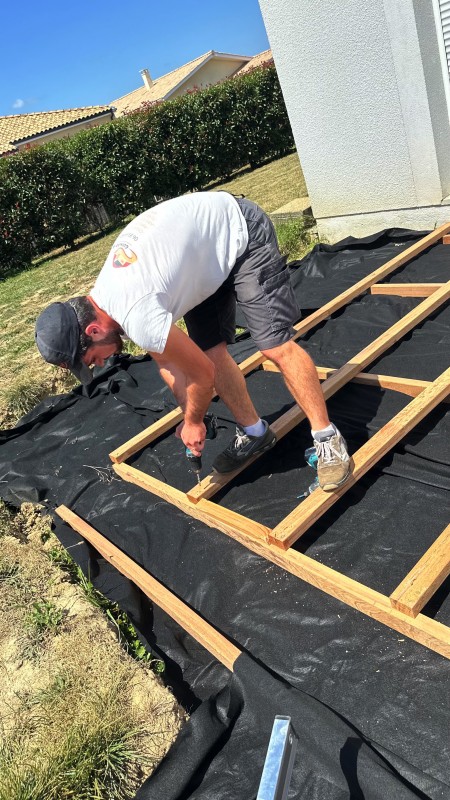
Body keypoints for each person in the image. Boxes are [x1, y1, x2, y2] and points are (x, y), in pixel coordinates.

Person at [35, 192, 351, 490]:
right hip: (203, 258)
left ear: (92, 331)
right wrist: (191, 414)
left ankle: (328, 439)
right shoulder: (111, 305)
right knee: (210, 352)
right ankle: (255, 433)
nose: (102, 363)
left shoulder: (134, 309)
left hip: (241, 232)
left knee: (273, 345)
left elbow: (202, 376)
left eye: (93, 359)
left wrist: (194, 421)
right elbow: (170, 365)